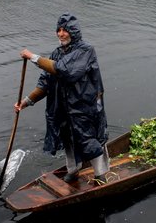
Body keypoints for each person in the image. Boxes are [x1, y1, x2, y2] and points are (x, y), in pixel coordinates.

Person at [14, 13, 109, 185]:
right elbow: (45, 83)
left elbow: (65, 71)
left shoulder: (85, 50)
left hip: (84, 106)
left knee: (88, 138)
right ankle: (73, 170)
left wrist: (33, 57)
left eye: (65, 30)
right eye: (58, 30)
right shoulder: (56, 53)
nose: (61, 34)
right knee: (67, 138)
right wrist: (25, 102)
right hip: (64, 107)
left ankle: (100, 174)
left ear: (74, 32)